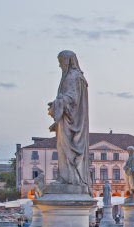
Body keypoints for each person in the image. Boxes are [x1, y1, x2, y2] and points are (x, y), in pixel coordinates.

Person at [48, 50, 91, 193]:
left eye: (61, 62)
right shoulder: (73, 77)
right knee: (63, 149)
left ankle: (70, 178)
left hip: (71, 122)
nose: (60, 66)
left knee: (67, 149)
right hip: (67, 120)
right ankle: (65, 177)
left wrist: (57, 104)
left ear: (67, 61)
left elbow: (73, 100)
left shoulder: (73, 77)